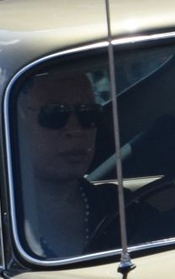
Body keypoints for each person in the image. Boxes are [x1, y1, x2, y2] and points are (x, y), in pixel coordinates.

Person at [17, 67, 113, 259]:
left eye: (88, 113)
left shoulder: (119, 209)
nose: (76, 130)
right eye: (55, 114)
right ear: (17, 122)